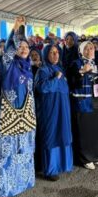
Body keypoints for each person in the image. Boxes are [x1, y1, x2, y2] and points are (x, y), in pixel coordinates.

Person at [0, 17, 36, 197]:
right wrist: (15, 29)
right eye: (20, 47)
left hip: (25, 117)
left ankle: (15, 187)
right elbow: (9, 52)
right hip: (9, 117)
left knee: (23, 152)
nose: (24, 49)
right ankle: (0, 194)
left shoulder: (28, 70)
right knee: (5, 154)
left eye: (26, 47)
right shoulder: (8, 65)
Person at [35, 44, 73, 180]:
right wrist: (55, 78)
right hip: (49, 109)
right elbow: (42, 88)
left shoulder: (59, 68)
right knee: (51, 136)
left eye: (57, 52)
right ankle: (50, 169)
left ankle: (62, 164)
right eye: (51, 53)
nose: (55, 55)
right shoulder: (43, 70)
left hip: (62, 107)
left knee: (62, 133)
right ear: (45, 54)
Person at [68, 41, 98, 170]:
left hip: (96, 100)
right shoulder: (75, 64)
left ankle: (94, 156)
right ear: (81, 51)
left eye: (91, 48)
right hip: (82, 101)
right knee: (84, 131)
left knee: (94, 129)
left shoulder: (96, 64)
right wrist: (82, 71)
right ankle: (85, 158)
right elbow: (72, 82)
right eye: (86, 49)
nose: (89, 50)